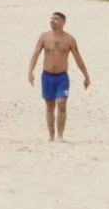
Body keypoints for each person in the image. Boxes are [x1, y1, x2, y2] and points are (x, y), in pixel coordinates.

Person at [27, 11, 91, 142]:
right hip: (47, 76)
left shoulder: (69, 39)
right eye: (51, 18)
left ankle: (60, 136)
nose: (52, 21)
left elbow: (78, 58)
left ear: (63, 22)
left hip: (62, 77)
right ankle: (51, 136)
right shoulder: (44, 37)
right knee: (50, 106)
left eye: (55, 19)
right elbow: (35, 54)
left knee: (61, 104)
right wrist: (30, 72)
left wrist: (86, 76)